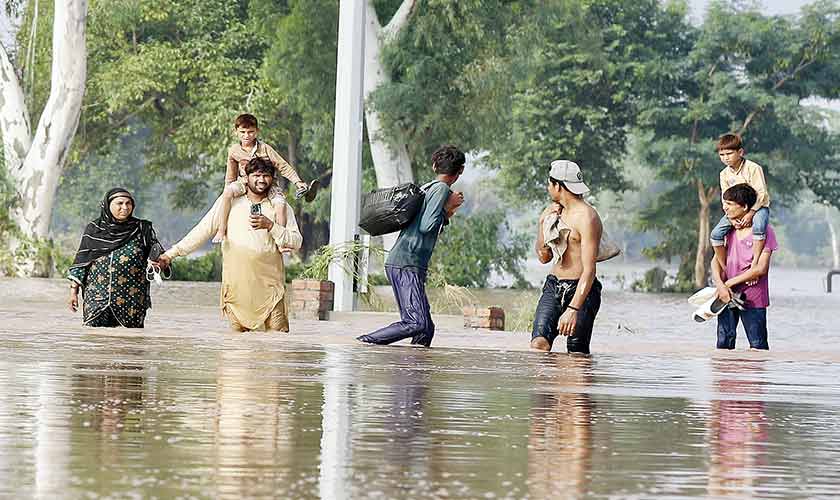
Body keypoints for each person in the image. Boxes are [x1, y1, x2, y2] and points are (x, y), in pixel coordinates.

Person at [159, 157, 303, 332]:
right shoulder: (229, 202)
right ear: (246, 177)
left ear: (272, 179)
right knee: (237, 345)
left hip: (271, 290)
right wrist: (170, 255)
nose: (261, 180)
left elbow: (296, 241)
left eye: (266, 176)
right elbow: (202, 230)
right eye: (256, 175)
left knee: (277, 340)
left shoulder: (281, 207)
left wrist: (271, 226)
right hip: (236, 291)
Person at [356, 145, 466, 347]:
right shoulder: (441, 189)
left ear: (434, 166)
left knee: (426, 329)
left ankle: (413, 365)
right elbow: (427, 226)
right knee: (416, 322)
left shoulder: (429, 187)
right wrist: (447, 208)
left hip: (406, 263)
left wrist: (446, 212)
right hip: (406, 263)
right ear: (460, 170)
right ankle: (364, 343)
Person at [531, 160, 603, 354]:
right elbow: (544, 257)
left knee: (577, 354)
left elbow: (589, 269)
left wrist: (573, 309)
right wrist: (542, 222)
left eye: (549, 184)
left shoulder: (587, 217)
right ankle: (548, 376)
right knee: (538, 344)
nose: (548, 188)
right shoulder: (554, 213)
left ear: (558, 186)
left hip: (581, 289)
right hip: (554, 285)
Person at [213, 113, 318, 243]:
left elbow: (282, 165)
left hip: (268, 184)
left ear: (257, 131)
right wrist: (227, 192)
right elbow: (231, 174)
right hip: (245, 182)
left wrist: (297, 182)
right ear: (236, 132)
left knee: (280, 204)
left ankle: (280, 240)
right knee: (228, 193)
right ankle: (221, 230)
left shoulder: (265, 149)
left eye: (250, 132)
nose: (246, 136)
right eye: (243, 132)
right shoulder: (234, 150)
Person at [67, 188, 165, 328]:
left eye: (128, 203)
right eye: (120, 203)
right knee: (93, 337)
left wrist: (157, 263)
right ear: (108, 205)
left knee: (130, 339)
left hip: (131, 301)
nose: (125, 207)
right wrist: (73, 293)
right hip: (97, 299)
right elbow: (81, 262)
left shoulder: (142, 229)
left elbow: (160, 255)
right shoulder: (93, 229)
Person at [710, 183, 778, 350]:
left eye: (730, 204)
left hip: (753, 297)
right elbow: (715, 261)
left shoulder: (765, 232)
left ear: (745, 207)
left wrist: (728, 283)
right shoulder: (727, 230)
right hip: (726, 294)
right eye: (725, 203)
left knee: (757, 346)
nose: (725, 208)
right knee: (723, 345)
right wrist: (721, 285)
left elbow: (760, 269)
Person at [710, 133, 770, 269]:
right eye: (722, 155)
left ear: (740, 152)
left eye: (729, 154)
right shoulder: (724, 174)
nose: (725, 158)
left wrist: (751, 213)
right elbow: (725, 198)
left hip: (757, 207)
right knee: (716, 235)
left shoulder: (753, 168)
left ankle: (755, 262)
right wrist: (731, 218)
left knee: (759, 226)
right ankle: (725, 267)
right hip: (735, 210)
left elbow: (762, 194)